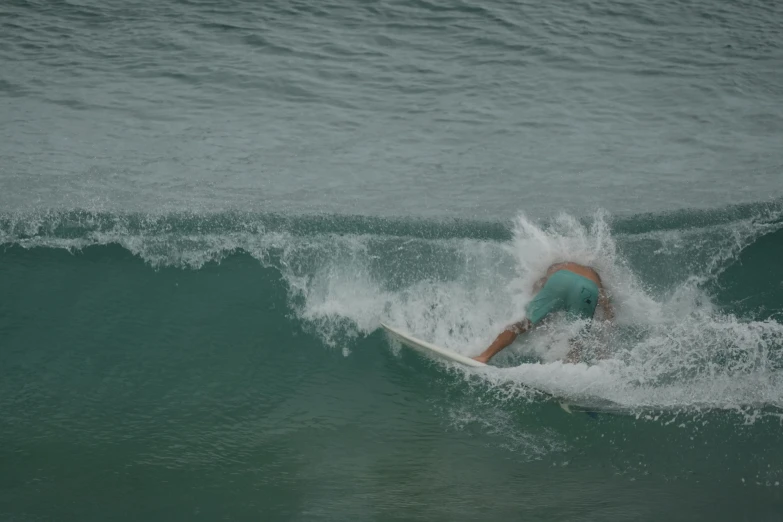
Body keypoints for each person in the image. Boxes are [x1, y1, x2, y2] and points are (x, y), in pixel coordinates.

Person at [472, 262, 614, 364]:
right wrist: (605, 333)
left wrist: (534, 311)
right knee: (576, 342)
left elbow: (539, 286)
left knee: (524, 323)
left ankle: (484, 356)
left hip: (561, 279)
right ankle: (565, 383)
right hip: (588, 289)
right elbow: (606, 305)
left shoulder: (560, 265)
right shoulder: (594, 276)